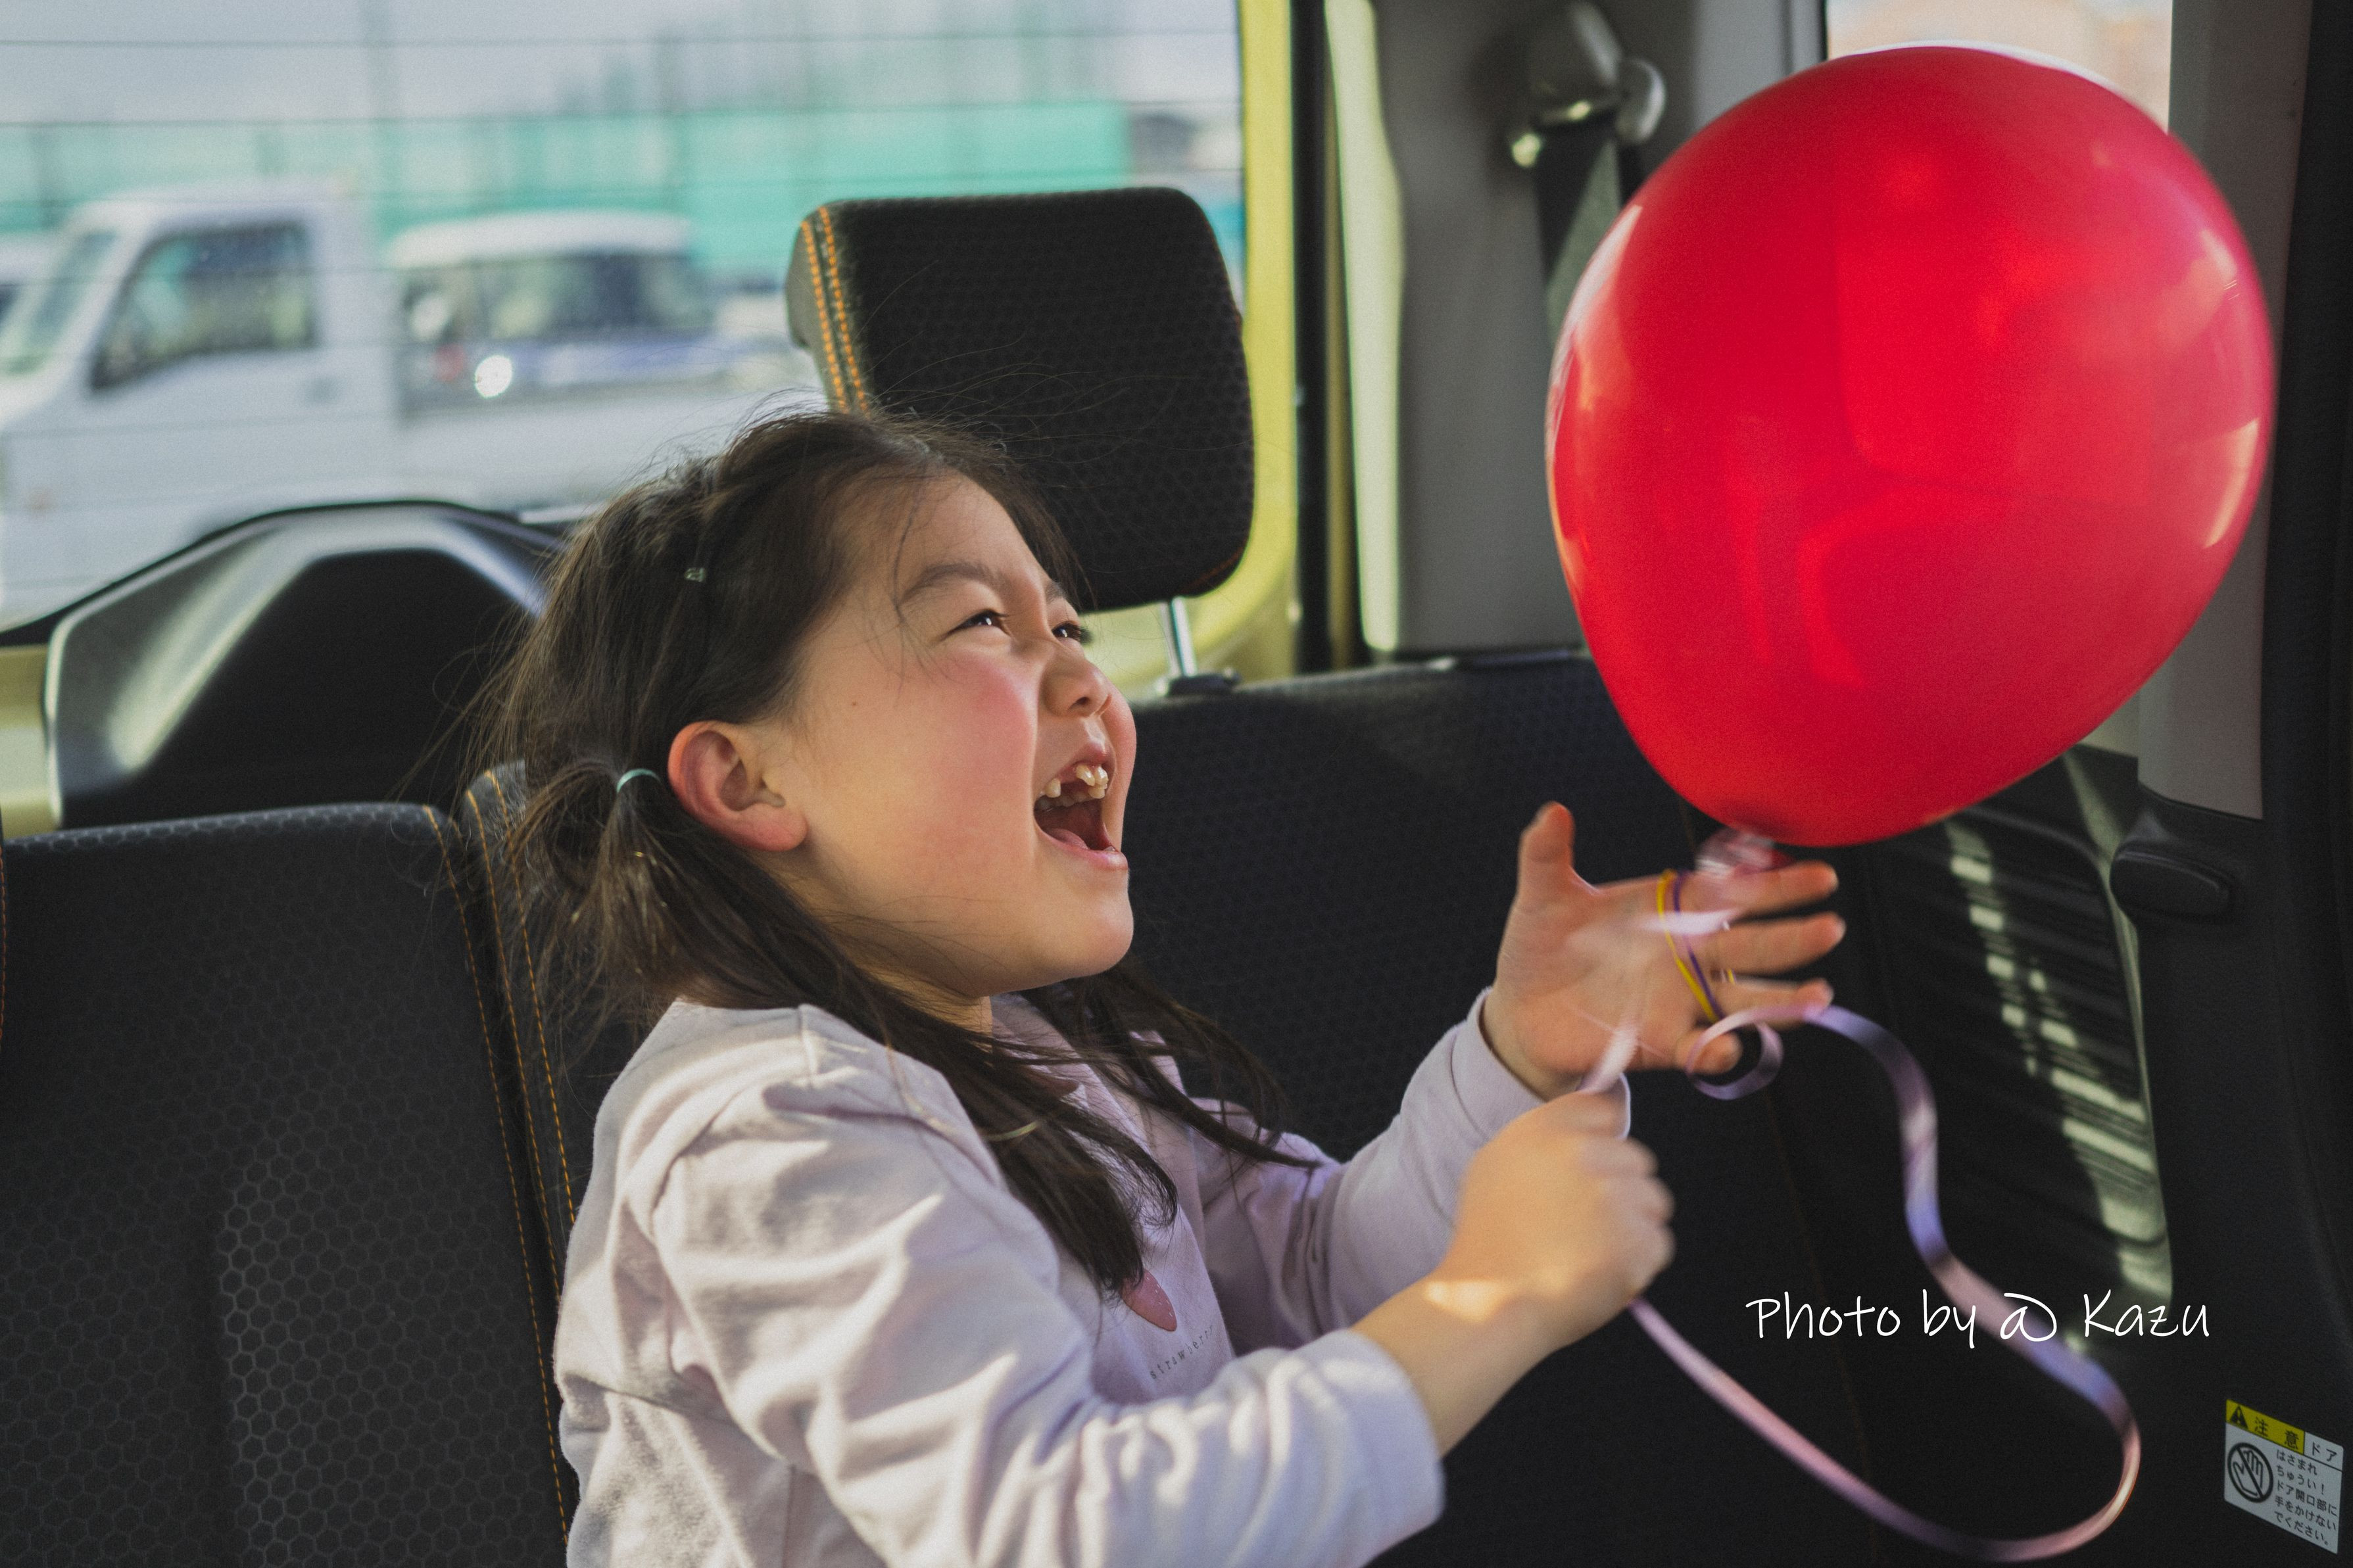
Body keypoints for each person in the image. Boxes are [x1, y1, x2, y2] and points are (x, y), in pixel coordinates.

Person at [477, 409, 1844, 1567]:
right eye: (982, 623)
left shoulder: (1050, 1058)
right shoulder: (770, 1137)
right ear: (749, 778)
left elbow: (1314, 1277)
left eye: (1070, 624)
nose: (1087, 674)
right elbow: (1054, 1527)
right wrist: (1483, 1304)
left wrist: (1522, 1053)